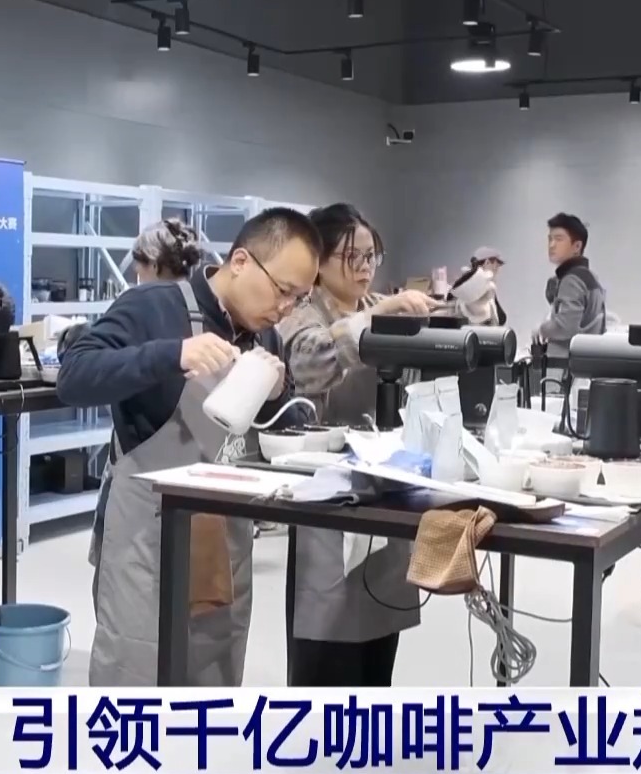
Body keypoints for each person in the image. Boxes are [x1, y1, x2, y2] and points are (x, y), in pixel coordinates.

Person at [57, 208, 320, 685]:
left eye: (298, 298)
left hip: (226, 538)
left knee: (214, 673)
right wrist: (172, 354)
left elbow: (272, 427)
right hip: (149, 536)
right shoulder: (153, 307)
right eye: (282, 291)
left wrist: (280, 394)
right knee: (136, 675)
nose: (286, 308)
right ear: (241, 261)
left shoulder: (265, 336)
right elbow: (74, 377)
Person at [277, 204, 435, 685]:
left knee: (378, 648)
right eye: (352, 257)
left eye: (371, 256)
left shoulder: (377, 306)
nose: (365, 267)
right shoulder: (300, 312)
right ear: (319, 262)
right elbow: (308, 362)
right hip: (327, 497)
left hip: (385, 489)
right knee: (327, 647)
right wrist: (375, 320)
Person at [534, 213, 607, 362]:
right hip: (585, 361)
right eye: (550, 239)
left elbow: (566, 327)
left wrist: (541, 329)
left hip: (565, 364)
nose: (552, 245)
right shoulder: (589, 277)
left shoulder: (571, 280)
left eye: (559, 239)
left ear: (577, 246)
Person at [449, 246, 506, 325]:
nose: (497, 271)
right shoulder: (478, 289)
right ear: (487, 263)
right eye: (496, 266)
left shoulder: (487, 289)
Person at [132, 218, 203, 282]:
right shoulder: (196, 291)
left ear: (154, 265)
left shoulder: (140, 292)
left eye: (139, 261)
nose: (136, 269)